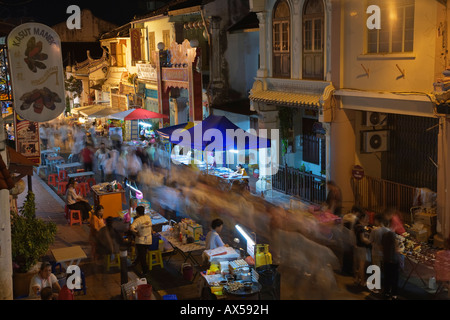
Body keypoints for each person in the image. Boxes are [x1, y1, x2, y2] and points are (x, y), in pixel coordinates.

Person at [130, 206, 152, 276]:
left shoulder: (137, 220)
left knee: (142, 257)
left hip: (141, 241)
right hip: (149, 240)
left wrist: (136, 232)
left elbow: (131, 228)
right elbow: (151, 226)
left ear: (137, 212)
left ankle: (145, 271)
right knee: (142, 254)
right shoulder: (148, 217)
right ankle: (135, 263)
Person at [381, 220, 400, 300]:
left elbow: (382, 246)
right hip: (394, 260)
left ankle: (386, 293)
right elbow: (397, 249)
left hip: (386, 259)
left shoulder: (384, 235)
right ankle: (394, 294)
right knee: (394, 278)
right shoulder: (393, 235)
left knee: (387, 277)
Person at [353, 211, 371, 287]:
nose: (368, 219)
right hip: (362, 247)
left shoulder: (356, 226)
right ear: (362, 218)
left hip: (357, 246)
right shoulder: (361, 228)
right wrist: (371, 242)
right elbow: (362, 239)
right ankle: (362, 281)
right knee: (362, 266)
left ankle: (357, 279)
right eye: (367, 218)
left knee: (358, 265)